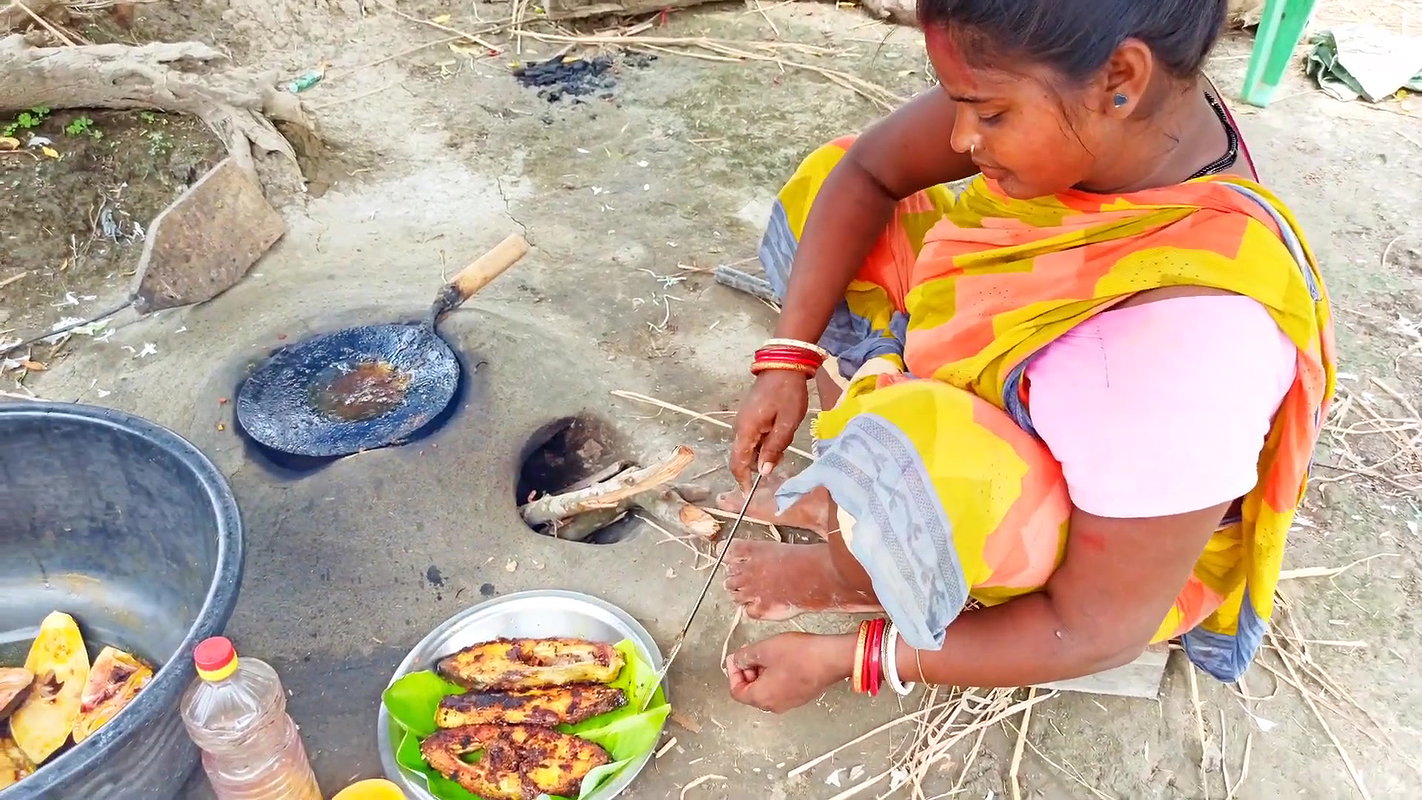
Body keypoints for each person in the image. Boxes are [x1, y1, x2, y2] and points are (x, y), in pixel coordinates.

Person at [718, 0, 1336, 713]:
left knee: (915, 448)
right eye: (957, 103)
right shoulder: (1135, 115)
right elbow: (868, 169)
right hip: (1034, 392)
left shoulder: (1179, 353)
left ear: (1122, 77)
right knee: (825, 188)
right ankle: (853, 508)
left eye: (987, 113)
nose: (959, 137)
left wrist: (848, 656)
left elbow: (1095, 629)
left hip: (1096, 548)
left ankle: (854, 566)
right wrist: (786, 361)